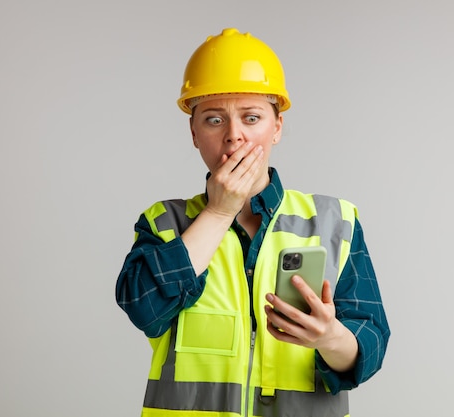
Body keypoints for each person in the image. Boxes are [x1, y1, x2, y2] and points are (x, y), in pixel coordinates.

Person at [115, 27, 390, 417]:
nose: (234, 136)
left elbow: (371, 346)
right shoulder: (164, 223)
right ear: (194, 132)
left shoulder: (334, 222)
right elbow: (144, 308)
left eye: (252, 117)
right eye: (214, 120)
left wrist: (330, 337)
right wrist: (218, 212)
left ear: (276, 127)